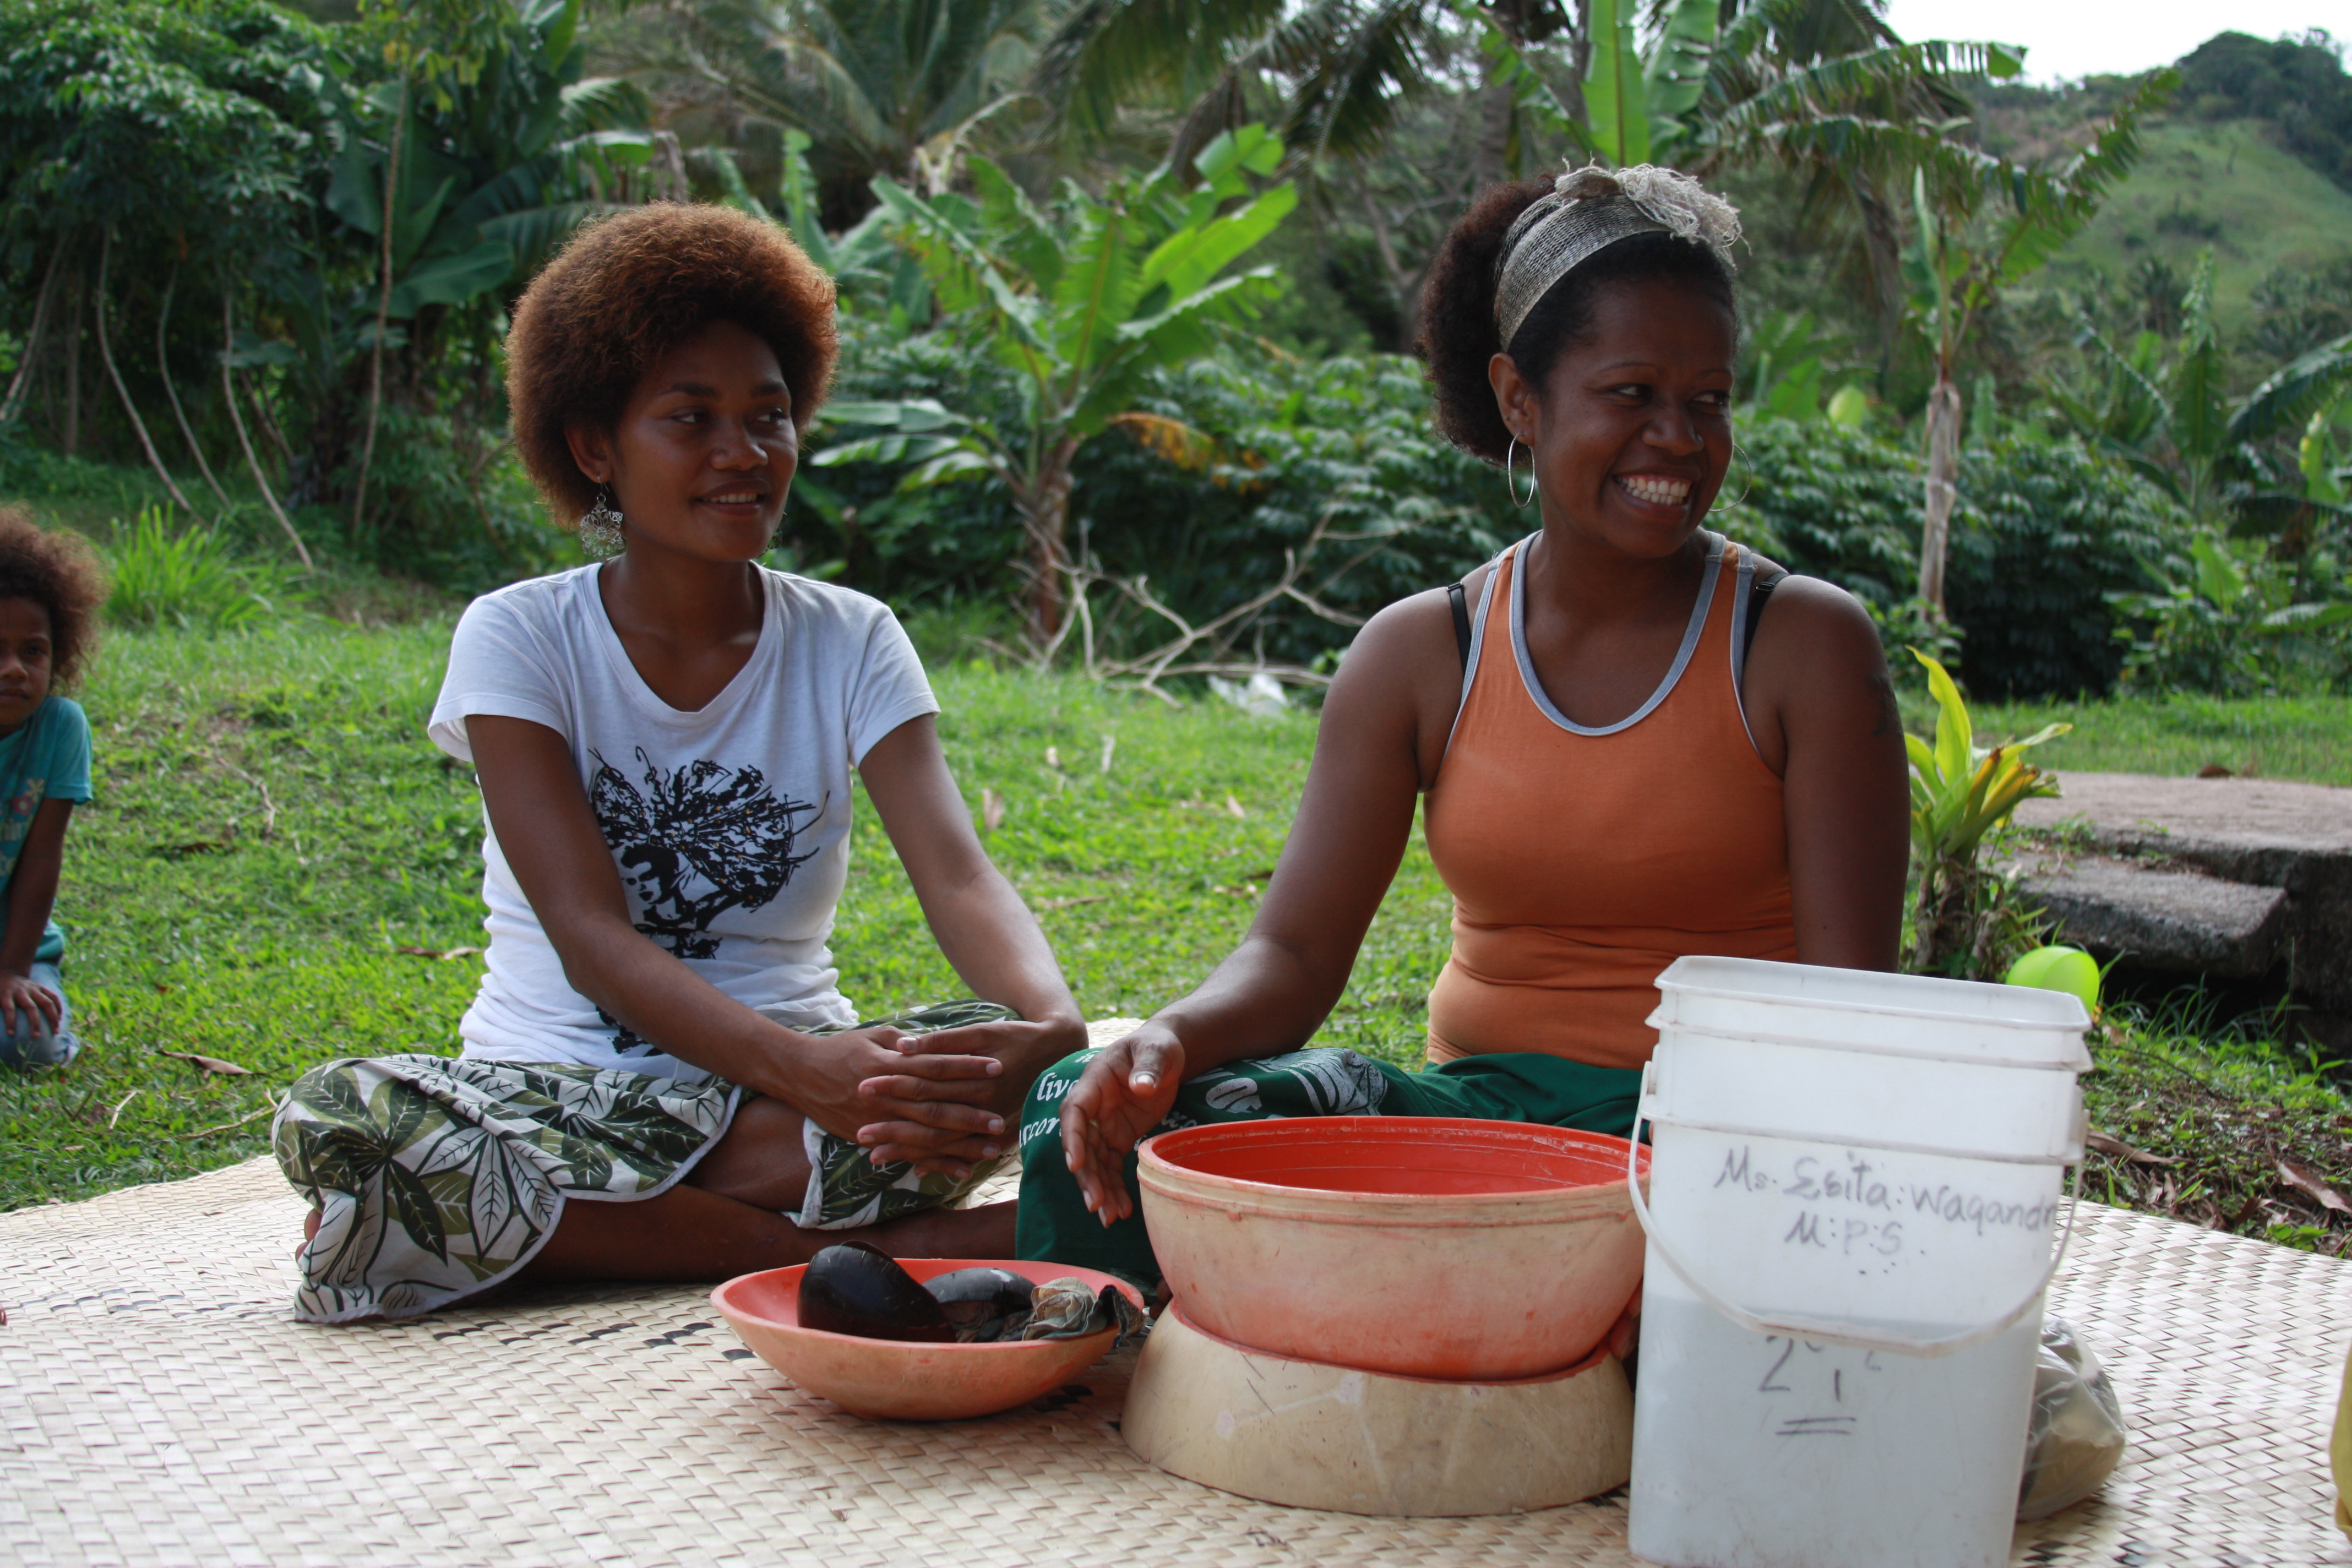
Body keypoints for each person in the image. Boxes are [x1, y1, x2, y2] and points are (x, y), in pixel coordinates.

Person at [1014, 166, 1911, 1286]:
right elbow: (1293, 955)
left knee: (1599, 1270)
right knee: (1089, 1100)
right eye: (1632, 392)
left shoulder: (1799, 644)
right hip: (1474, 1132)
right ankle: (1112, 1337)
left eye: (1711, 399)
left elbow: (1849, 1014)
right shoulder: (1420, 654)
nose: (1679, 437)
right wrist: (1171, 1034)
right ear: (1519, 398)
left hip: (1716, 1140)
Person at [274, 204, 1086, 1323]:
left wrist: (1051, 1028)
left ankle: (531, 1231)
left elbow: (958, 874)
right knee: (344, 1115)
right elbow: (589, 935)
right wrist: (810, 1075)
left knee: (958, 1066)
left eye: (768, 416)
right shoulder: (518, 636)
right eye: (691, 417)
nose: (743, 452)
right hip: (553, 1094)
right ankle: (891, 1244)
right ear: (595, 447)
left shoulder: (853, 637)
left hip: (793, 1106)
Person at [0, 508, 101, 1070]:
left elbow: (42, 857)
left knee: (26, 1043)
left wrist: (13, 970)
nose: (15, 668)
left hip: (16, 947)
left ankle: (49, 1008)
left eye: (32, 651)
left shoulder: (60, 726)